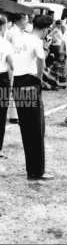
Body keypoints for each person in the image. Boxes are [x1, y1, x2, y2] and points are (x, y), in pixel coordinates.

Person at [12, 15, 54, 180]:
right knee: (36, 128)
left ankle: (32, 169)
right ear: (45, 29)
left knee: (26, 128)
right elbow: (41, 60)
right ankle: (37, 171)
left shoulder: (20, 39)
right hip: (30, 82)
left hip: (17, 83)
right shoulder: (37, 42)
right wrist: (39, 77)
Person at [0, 16, 14, 159]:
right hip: (1, 78)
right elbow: (12, 65)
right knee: (1, 114)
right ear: (2, 28)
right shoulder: (5, 44)